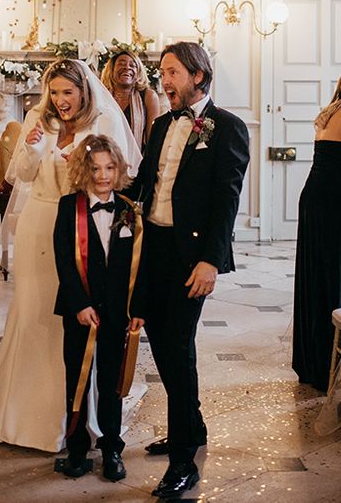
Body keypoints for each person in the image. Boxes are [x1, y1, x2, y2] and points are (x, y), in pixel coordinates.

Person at [0, 58, 141, 453]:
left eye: (67, 93)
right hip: (40, 222)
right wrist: (36, 148)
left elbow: (117, 173)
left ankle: (78, 422)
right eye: (54, 93)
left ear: (83, 91)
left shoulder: (100, 122)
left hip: (81, 224)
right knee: (34, 316)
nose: (60, 101)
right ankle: (26, 420)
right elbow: (20, 173)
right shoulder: (41, 120)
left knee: (77, 321)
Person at [126, 42, 249, 499]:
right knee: (161, 341)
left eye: (173, 72)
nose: (165, 80)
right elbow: (144, 183)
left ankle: (183, 461)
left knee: (176, 350)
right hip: (153, 247)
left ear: (199, 75)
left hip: (190, 256)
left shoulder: (228, 128)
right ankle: (192, 427)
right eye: (163, 72)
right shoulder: (160, 125)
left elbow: (227, 199)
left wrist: (210, 261)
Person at [53, 135, 146, 481]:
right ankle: (77, 448)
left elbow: (141, 265)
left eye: (109, 168)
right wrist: (79, 304)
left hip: (117, 312)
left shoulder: (129, 210)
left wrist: (137, 308)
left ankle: (111, 447)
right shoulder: (68, 207)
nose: (103, 175)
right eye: (95, 168)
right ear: (82, 170)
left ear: (118, 168)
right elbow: (64, 261)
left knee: (112, 382)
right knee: (77, 380)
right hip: (80, 312)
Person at [292, 76, 341, 391]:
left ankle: (315, 360)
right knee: (334, 279)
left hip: (315, 198)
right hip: (334, 201)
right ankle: (330, 363)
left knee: (318, 278)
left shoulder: (331, 110)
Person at [100, 49, 160, 149]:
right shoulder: (101, 97)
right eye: (121, 64)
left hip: (138, 160)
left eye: (132, 65)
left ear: (138, 72)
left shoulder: (149, 96)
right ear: (111, 70)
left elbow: (153, 140)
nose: (127, 67)